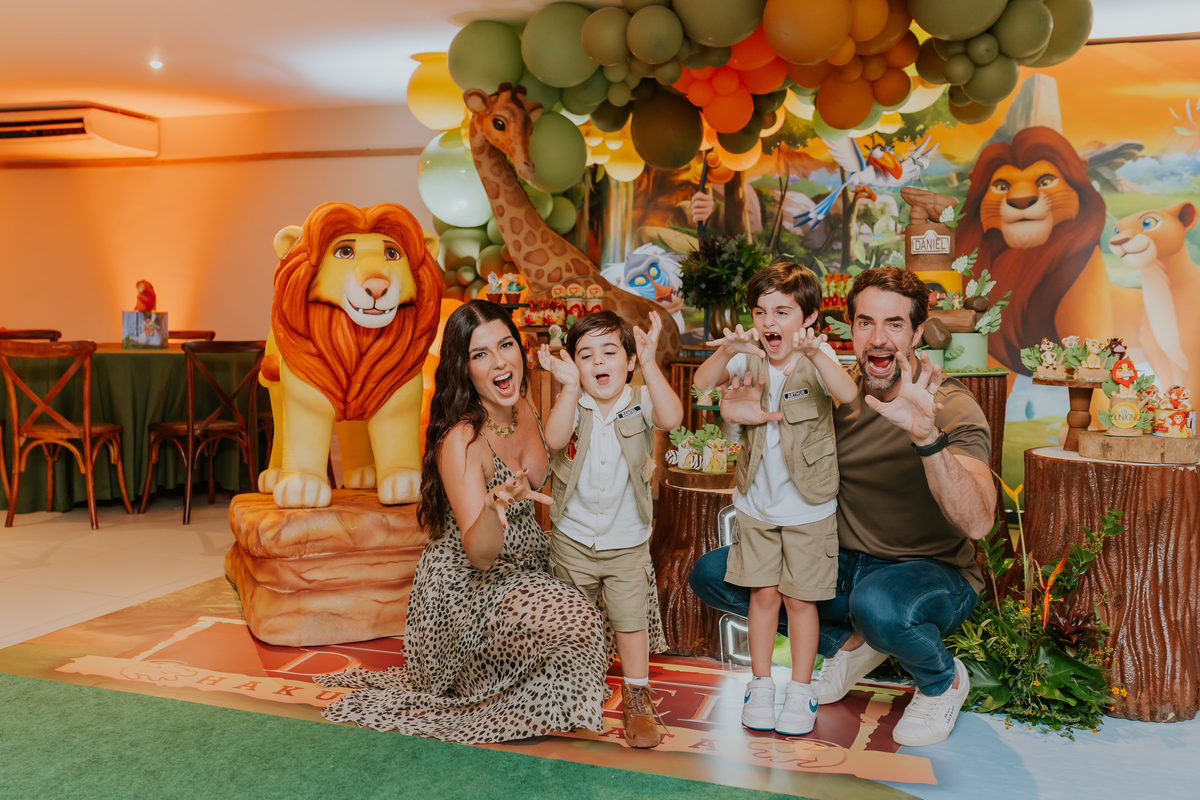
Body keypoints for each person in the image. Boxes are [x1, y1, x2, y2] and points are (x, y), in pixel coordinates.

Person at [689, 267, 997, 747]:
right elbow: (761, 425)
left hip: (925, 572)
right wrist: (734, 416)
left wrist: (926, 438)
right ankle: (850, 643)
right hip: (839, 562)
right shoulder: (826, 385)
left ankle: (942, 680)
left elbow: (978, 522)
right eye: (865, 322)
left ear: (917, 332)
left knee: (878, 605)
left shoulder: (947, 404)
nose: (878, 338)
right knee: (715, 574)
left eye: (894, 324)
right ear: (848, 328)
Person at [315, 300, 607, 743]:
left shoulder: (521, 402)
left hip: (528, 563)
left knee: (609, 591)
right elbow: (480, 555)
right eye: (480, 354)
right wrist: (492, 508)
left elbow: (557, 447)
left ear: (520, 348)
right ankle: (497, 690)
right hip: (468, 591)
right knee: (577, 621)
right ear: (463, 369)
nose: (500, 362)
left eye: (505, 345)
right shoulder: (462, 439)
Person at [692, 262, 858, 736]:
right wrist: (727, 350)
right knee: (762, 596)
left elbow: (847, 393)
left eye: (782, 312)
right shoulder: (748, 357)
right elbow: (702, 383)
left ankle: (801, 689)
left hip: (810, 508)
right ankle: (760, 684)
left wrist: (817, 353)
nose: (769, 322)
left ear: (808, 318)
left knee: (800, 601)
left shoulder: (818, 356)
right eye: (761, 311)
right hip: (756, 506)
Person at [536, 310, 683, 748]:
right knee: (573, 622)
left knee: (630, 621)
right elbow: (554, 440)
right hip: (573, 538)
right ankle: (574, 691)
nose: (598, 361)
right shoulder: (573, 400)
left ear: (630, 360)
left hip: (627, 540)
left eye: (609, 352)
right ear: (574, 365)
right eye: (586, 355)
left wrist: (652, 364)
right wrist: (567, 388)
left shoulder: (641, 397)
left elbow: (672, 417)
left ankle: (636, 696)